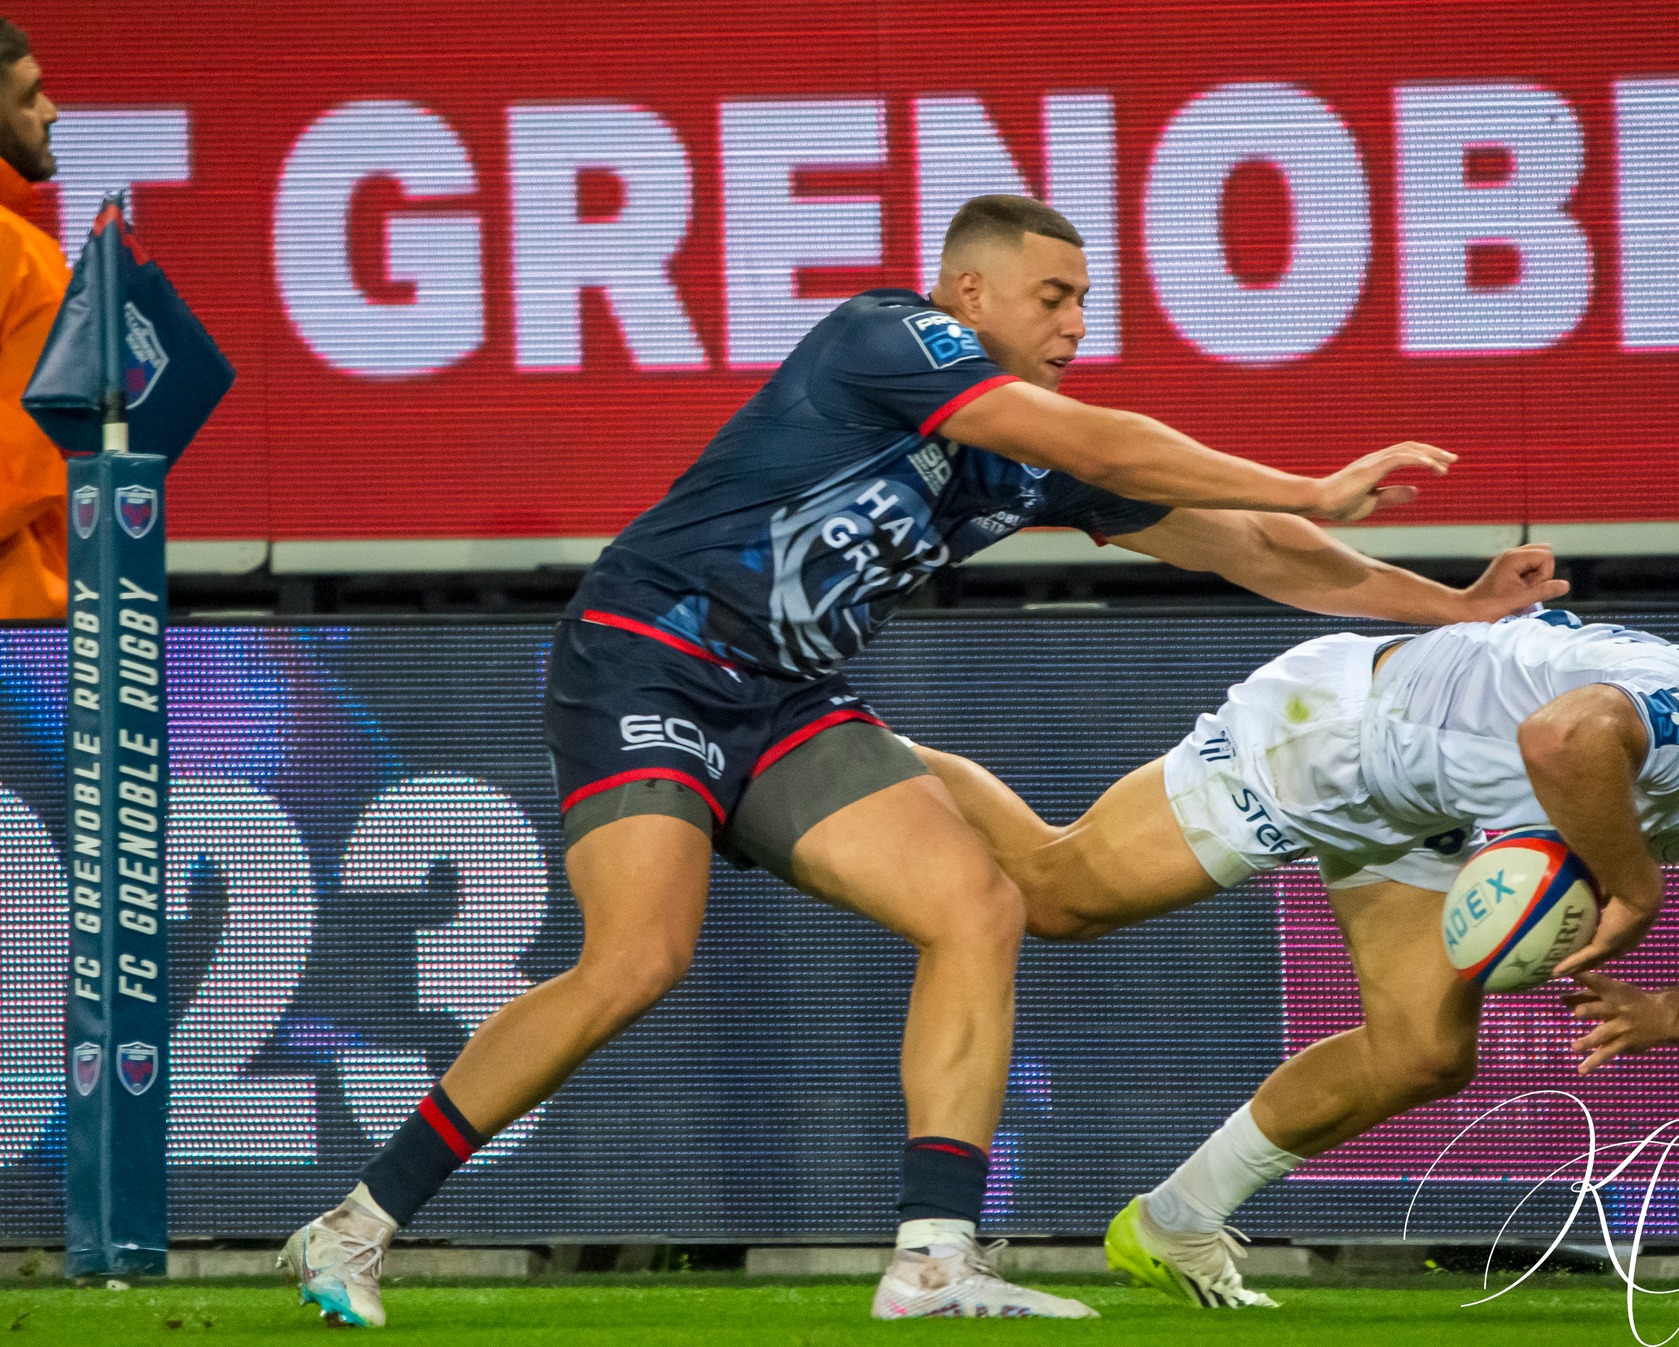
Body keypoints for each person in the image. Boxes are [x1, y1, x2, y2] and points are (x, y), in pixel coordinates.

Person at [281, 192, 1567, 1326]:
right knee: (638, 958)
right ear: (969, 293)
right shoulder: (888, 337)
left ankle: (932, 1258)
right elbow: (1124, 452)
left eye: (1083, 301)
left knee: (977, 908)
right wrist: (1312, 482)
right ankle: (353, 1224)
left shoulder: (1022, 456)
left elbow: (1244, 550)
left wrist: (1446, 605)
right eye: (1052, 296)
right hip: (644, 658)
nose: (1074, 322)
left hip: (785, 700)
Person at [915, 596, 1679, 1307]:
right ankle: (844, 750)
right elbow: (1560, 741)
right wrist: (1634, 885)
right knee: (1057, 897)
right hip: (1343, 732)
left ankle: (1171, 1223)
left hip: (1431, 813)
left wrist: (1669, 1012)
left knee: (1421, 1052)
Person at [0, 18, 67, 621]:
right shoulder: (21, 259)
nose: (50, 112)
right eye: (28, 95)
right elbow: (26, 461)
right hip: (14, 622)